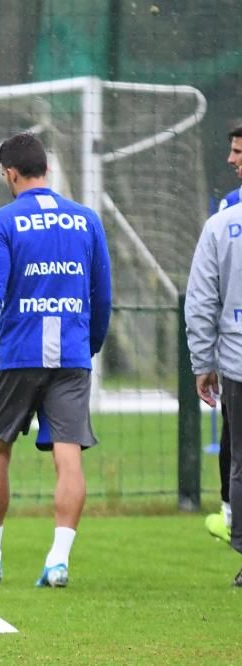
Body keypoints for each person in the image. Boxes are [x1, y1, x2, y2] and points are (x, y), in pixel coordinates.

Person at [0, 132, 112, 588]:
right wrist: (90, 344)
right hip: (71, 354)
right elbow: (102, 295)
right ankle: (58, 560)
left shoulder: (4, 221)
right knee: (69, 458)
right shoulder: (86, 220)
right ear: (46, 168)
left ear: (10, 173)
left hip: (21, 353)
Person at [186, 188, 242, 587]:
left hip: (238, 361)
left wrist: (203, 362)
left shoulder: (221, 225)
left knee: (241, 462)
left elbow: (202, 300)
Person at [205, 125, 242, 543]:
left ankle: (233, 518)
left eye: (238, 152)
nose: (231, 160)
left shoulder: (227, 214)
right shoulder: (226, 208)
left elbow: (206, 290)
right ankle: (231, 514)